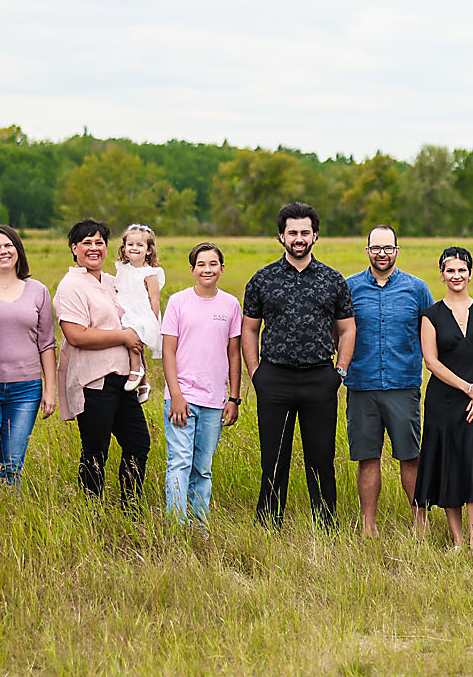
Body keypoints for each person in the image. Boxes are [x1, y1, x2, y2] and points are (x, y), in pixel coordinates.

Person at [241, 201, 356, 528]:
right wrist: (255, 373)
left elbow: (347, 329)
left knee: (321, 457)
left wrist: (340, 372)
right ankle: (268, 524)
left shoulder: (333, 280)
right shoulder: (262, 279)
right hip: (273, 378)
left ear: (315, 235)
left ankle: (327, 526)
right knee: (273, 458)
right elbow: (249, 328)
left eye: (305, 232)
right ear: (281, 236)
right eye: (292, 232)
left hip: (320, 378)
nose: (299, 238)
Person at [344, 224, 435, 537]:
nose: (381, 253)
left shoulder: (417, 288)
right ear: (367, 250)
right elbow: (339, 331)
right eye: (375, 248)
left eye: (387, 248)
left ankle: (419, 523)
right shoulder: (349, 287)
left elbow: (431, 334)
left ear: (397, 250)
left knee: (410, 456)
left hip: (403, 384)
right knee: (367, 458)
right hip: (361, 384)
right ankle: (369, 527)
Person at [54, 219, 152, 507]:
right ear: (74, 248)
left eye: (99, 242)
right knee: (95, 449)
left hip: (124, 379)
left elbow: (137, 317)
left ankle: (130, 505)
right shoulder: (71, 285)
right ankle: (91, 510)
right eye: (86, 242)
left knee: (138, 443)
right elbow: (76, 335)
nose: (94, 248)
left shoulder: (112, 281)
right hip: (94, 381)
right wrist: (122, 336)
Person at [413, 246, 473, 558]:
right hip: (444, 402)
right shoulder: (431, 315)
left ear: (470, 273)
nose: (456, 276)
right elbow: (431, 362)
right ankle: (458, 541)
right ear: (442, 275)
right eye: (450, 270)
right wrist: (469, 389)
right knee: (449, 467)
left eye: (462, 270)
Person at [0, 224, 57, 487]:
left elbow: (47, 344)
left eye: (8, 245)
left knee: (12, 463)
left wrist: (49, 390)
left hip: (26, 389)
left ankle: (7, 517)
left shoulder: (37, 290)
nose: (3, 251)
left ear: (18, 250)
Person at [161, 242, 243, 524]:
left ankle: (199, 525)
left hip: (214, 401)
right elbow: (168, 351)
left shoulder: (231, 304)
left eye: (212, 264)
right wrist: (176, 395)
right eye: (201, 265)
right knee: (180, 462)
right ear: (192, 269)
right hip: (181, 398)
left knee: (203, 467)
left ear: (221, 268)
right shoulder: (178, 302)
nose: (207, 269)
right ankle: (175, 526)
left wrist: (233, 398)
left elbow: (234, 353)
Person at [114, 223, 164, 399]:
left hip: (141, 312)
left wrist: (153, 318)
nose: (134, 248)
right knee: (135, 345)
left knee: (133, 337)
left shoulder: (150, 273)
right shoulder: (121, 268)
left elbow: (154, 299)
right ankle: (143, 384)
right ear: (124, 247)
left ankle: (136, 369)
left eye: (140, 245)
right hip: (124, 307)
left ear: (149, 250)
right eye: (130, 244)